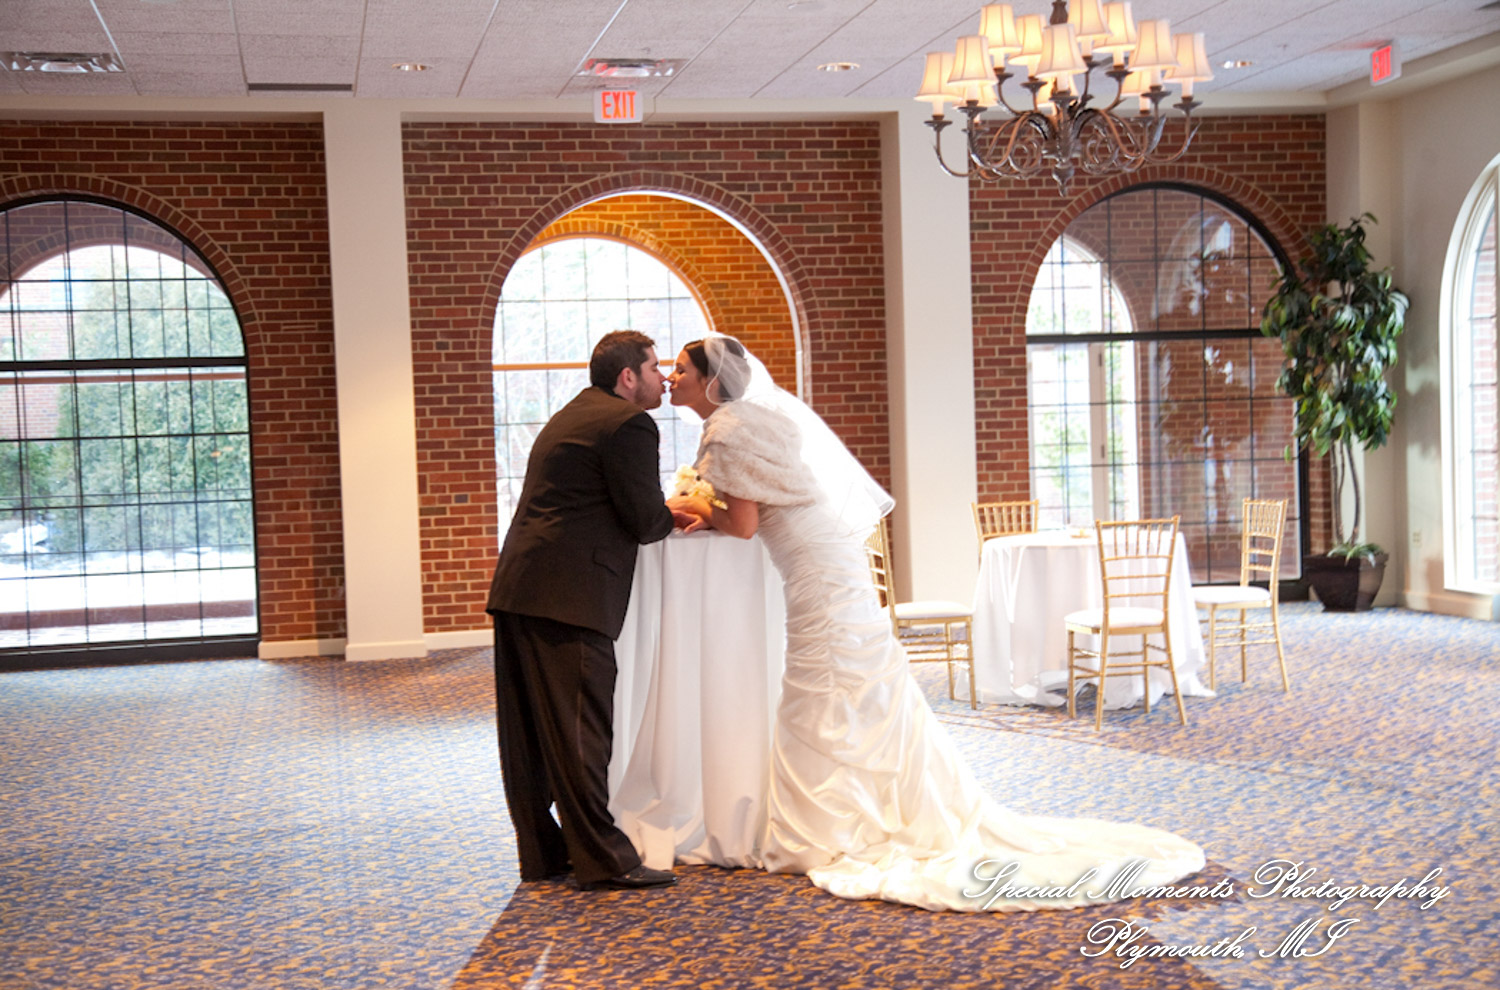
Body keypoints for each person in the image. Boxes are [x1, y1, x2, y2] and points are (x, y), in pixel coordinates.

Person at [665, 334, 1206, 912]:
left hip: (814, 572)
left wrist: (694, 506)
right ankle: (861, 808)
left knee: (827, 682)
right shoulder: (760, 416)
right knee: (848, 680)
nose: (672, 378)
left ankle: (837, 822)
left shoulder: (725, 428)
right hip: (828, 556)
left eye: (678, 370)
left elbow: (743, 525)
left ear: (711, 381)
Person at [487, 330, 697, 891]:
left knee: (530, 735)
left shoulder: (576, 412)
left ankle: (544, 853)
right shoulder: (629, 423)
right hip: (567, 595)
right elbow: (643, 519)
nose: (662, 379)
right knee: (583, 728)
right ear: (628, 377)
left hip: (523, 587)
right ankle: (607, 859)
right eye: (655, 368)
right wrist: (674, 510)